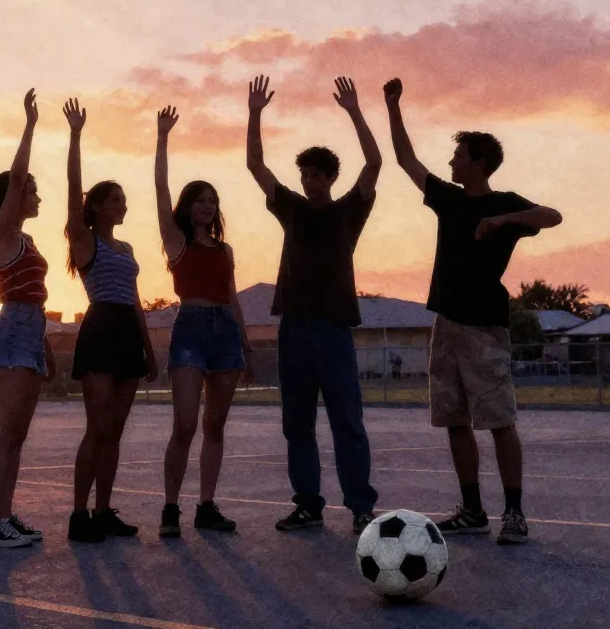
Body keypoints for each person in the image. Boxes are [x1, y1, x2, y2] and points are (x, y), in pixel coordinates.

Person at [383, 76, 563, 546]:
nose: (451, 162)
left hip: (485, 329)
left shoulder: (505, 205)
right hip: (445, 324)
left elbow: (553, 216)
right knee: (454, 420)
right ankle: (472, 510)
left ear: (478, 163)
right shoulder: (446, 198)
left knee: (500, 421)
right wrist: (393, 105)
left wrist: (502, 220)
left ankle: (515, 513)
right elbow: (405, 159)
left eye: (459, 156)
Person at [245, 75, 383, 535]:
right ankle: (308, 504)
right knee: (297, 425)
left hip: (333, 330)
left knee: (347, 422)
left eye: (315, 174)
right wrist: (255, 113)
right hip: (295, 330)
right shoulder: (291, 209)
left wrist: (354, 110)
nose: (307, 181)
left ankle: (361, 505)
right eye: (303, 173)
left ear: (330, 179)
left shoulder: (348, 211)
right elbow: (255, 165)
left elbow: (375, 162)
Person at [152, 105, 255, 538]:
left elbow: (231, 299)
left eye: (213, 201)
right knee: (186, 424)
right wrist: (162, 138)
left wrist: (246, 346)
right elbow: (160, 190)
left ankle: (206, 506)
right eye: (201, 200)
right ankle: (170, 509)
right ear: (188, 206)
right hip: (190, 329)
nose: (208, 206)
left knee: (215, 425)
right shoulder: (176, 242)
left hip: (225, 335)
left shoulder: (225, 251)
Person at [63, 97, 160, 544]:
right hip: (100, 330)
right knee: (97, 428)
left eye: (124, 199)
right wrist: (76, 135)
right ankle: (79, 515)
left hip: (127, 333)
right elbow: (72, 190)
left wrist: (149, 346)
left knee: (116, 431)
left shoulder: (128, 250)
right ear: (99, 206)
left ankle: (103, 511)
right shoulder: (86, 243)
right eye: (116, 199)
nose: (123, 205)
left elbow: (137, 300)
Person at [0, 88, 57, 548]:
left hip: (30, 331)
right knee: (6, 432)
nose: (37, 195)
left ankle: (5, 515)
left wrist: (44, 346)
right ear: (14, 196)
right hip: (12, 331)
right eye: (31, 190)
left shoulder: (25, 238)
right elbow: (19, 171)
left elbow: (36, 297)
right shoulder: (2, 232)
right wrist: (30, 124)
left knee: (18, 434)